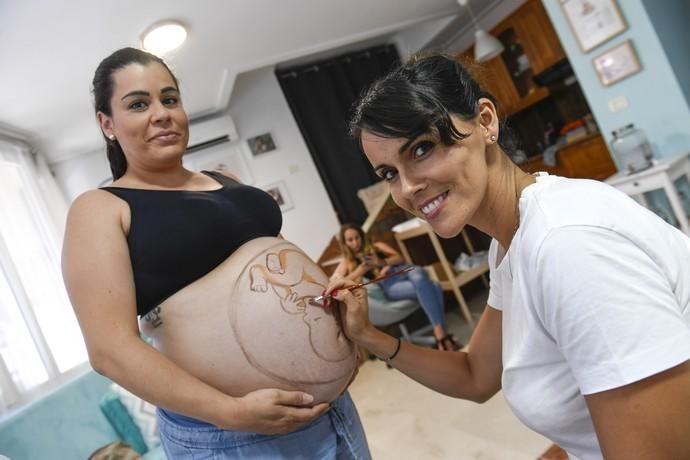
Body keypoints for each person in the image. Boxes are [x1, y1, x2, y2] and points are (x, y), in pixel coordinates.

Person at [325, 52, 690, 459]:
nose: (407, 187)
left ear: (485, 121)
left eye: (422, 148)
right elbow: (476, 375)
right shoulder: (510, 243)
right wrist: (367, 335)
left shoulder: (568, 246)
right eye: (389, 173)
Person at [61, 47, 370, 459]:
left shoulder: (224, 179)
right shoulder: (99, 209)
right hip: (230, 435)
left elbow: (269, 269)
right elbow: (110, 349)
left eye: (170, 99)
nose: (162, 113)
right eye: (138, 104)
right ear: (107, 124)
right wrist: (231, 412)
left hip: (330, 410)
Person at [332, 223, 461, 350]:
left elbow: (400, 257)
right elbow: (336, 281)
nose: (355, 243)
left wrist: (381, 262)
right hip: (389, 285)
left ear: (362, 236)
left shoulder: (376, 246)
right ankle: (442, 335)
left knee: (419, 276)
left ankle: (441, 338)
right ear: (345, 243)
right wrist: (360, 271)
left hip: (402, 270)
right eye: (350, 240)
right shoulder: (347, 262)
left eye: (357, 237)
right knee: (434, 286)